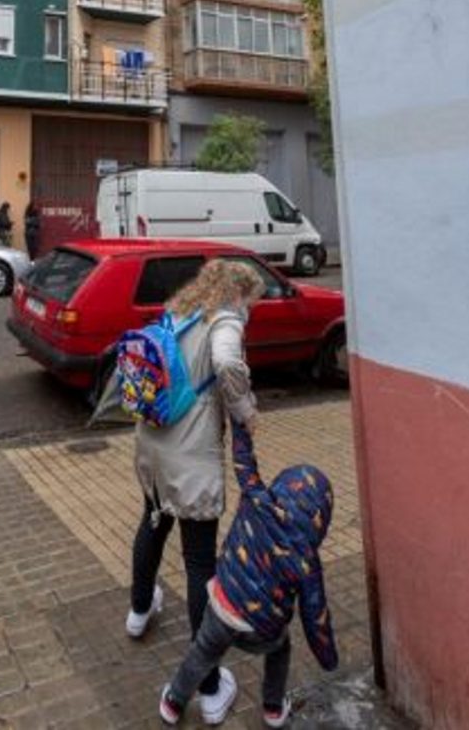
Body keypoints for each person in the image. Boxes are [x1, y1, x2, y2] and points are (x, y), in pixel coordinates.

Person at [127, 258, 265, 727]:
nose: (251, 310)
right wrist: (245, 409)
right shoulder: (224, 320)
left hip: (153, 444)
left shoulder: (177, 310)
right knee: (200, 563)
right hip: (190, 456)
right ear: (239, 292)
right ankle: (209, 689)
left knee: (152, 522)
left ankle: (139, 611)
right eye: (252, 301)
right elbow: (227, 362)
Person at [159, 421, 338, 727]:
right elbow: (315, 614)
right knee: (281, 651)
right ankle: (272, 707)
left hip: (223, 607)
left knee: (201, 652)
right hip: (264, 629)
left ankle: (173, 702)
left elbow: (243, 458)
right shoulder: (308, 560)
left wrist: (240, 421)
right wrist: (327, 658)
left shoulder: (258, 498)